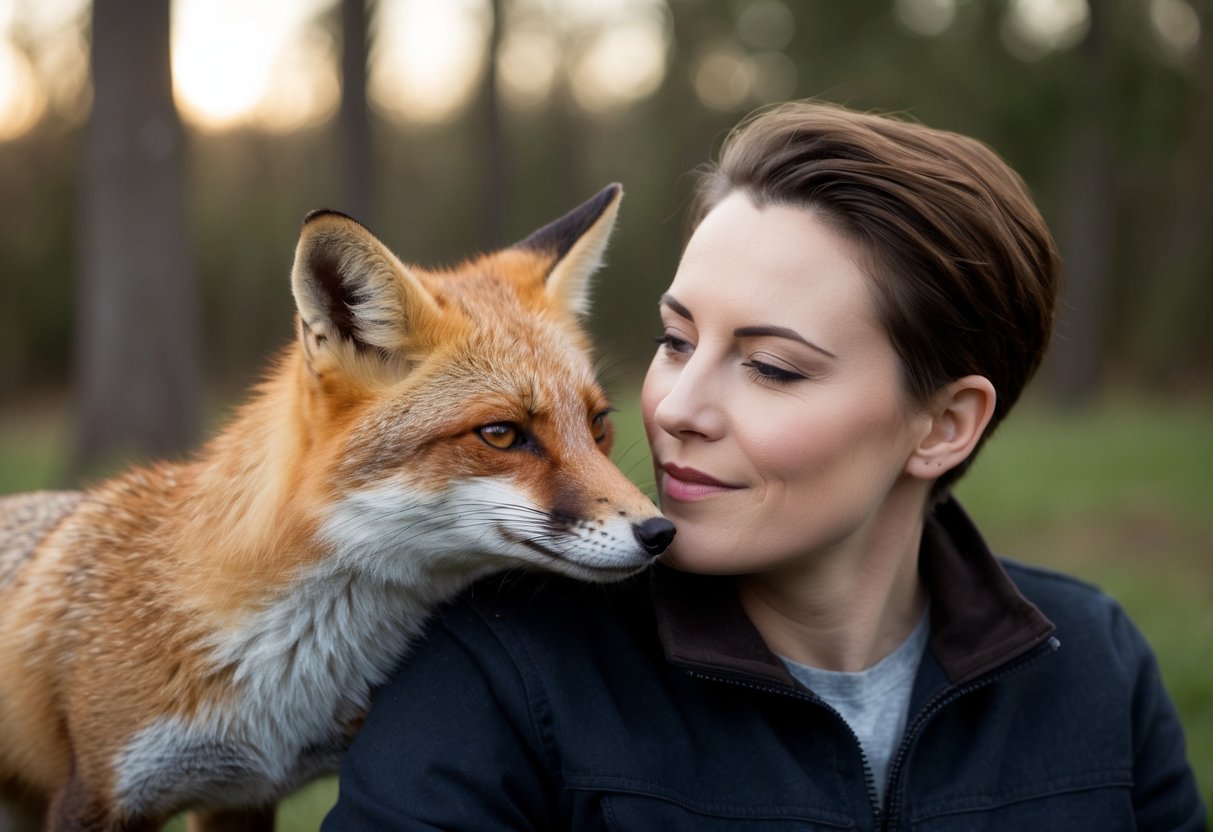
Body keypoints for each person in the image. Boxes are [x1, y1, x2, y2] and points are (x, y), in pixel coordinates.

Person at [322, 101, 1206, 830]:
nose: (675, 408)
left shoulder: (1093, 665)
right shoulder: (493, 668)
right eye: (675, 341)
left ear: (943, 427)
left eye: (772, 367)